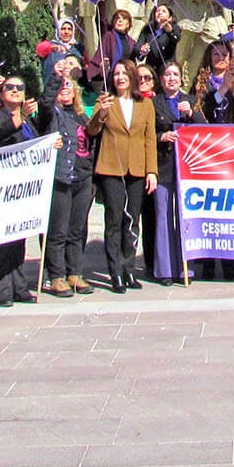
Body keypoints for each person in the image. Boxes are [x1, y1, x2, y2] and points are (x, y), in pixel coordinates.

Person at [88, 59, 159, 293]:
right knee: (114, 220)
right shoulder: (106, 100)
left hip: (137, 168)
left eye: (123, 73)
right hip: (111, 168)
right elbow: (92, 130)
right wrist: (102, 113)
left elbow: (150, 139)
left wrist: (151, 171)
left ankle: (129, 267)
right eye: (116, 73)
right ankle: (115, 271)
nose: (119, 77)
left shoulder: (145, 105)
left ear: (132, 77)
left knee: (132, 220)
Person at [0, 73, 45, 307]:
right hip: (3, 187)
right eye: (9, 87)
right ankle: (0, 290)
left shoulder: (29, 121)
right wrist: (21, 116)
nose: (15, 90)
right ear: (1, 92)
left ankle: (19, 287)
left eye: (20, 87)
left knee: (18, 240)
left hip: (24, 188)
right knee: (2, 241)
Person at [39, 64, 95, 298]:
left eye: (68, 86)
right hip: (61, 177)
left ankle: (75, 273)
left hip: (83, 177)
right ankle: (56, 276)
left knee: (76, 229)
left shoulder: (81, 115)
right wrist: (56, 77)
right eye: (61, 87)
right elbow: (44, 103)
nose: (65, 89)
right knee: (58, 230)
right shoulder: (52, 113)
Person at [146, 60, 202, 284]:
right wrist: (161, 137)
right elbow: (145, 133)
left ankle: (185, 269)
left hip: (187, 168)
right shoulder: (153, 103)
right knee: (163, 217)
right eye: (167, 75)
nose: (171, 78)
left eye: (175, 75)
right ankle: (165, 270)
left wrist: (192, 114)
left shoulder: (190, 100)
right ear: (161, 80)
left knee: (185, 218)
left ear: (181, 79)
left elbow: (204, 130)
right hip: (162, 165)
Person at [135, 3, 181, 73]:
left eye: (164, 11)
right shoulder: (148, 29)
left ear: (170, 17)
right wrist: (142, 51)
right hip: (151, 68)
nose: (160, 13)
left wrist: (170, 32)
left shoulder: (174, 28)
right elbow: (138, 48)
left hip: (166, 68)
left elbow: (177, 38)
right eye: (158, 11)